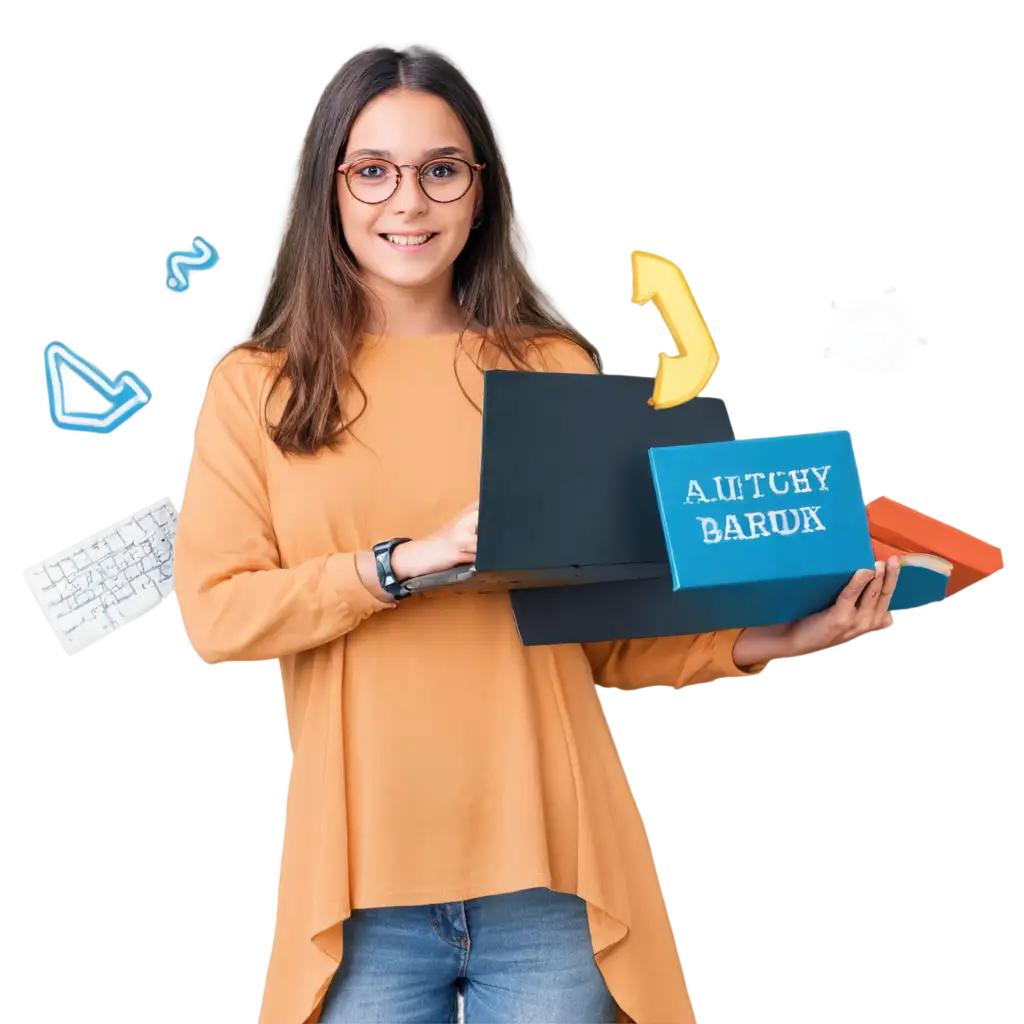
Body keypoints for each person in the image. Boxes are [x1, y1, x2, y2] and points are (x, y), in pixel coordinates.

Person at [173, 44, 901, 1024]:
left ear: (479, 190)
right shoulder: (255, 389)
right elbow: (218, 617)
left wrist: (774, 636)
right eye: (373, 170)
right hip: (359, 897)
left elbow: (598, 635)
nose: (409, 203)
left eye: (442, 169)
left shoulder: (548, 368)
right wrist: (405, 562)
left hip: (548, 884)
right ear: (330, 188)